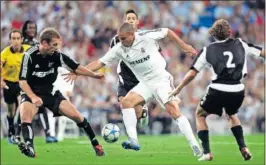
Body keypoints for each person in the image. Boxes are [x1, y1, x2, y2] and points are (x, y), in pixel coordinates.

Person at [64, 22, 202, 157]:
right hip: (145, 83)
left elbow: (167, 31)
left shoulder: (145, 37)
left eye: (123, 38)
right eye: (119, 38)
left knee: (173, 110)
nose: (121, 41)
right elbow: (99, 63)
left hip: (161, 80)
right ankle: (133, 140)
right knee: (126, 102)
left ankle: (194, 145)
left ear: (132, 35)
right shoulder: (119, 48)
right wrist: (78, 72)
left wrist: (184, 45)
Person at [169, 19, 265, 161]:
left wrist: (178, 88)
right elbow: (262, 52)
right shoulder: (241, 44)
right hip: (238, 89)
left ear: (213, 34)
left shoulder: (208, 50)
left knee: (200, 114)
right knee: (232, 115)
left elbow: (192, 73)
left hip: (218, 89)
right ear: (229, 32)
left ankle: (207, 153)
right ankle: (243, 147)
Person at [17, 27, 105, 158]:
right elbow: (22, 82)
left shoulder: (57, 56)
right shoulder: (29, 55)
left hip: (50, 93)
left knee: (77, 116)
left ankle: (96, 144)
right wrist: (33, 97)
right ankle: (30, 148)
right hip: (31, 92)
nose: (57, 48)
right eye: (54, 45)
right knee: (25, 115)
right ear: (44, 43)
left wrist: (93, 75)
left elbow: (76, 67)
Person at [21, 20, 58, 143]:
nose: (31, 30)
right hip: (22, 79)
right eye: (29, 28)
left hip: (36, 80)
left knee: (41, 107)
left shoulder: (38, 44)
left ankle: (48, 134)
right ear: (25, 29)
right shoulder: (20, 44)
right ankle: (14, 134)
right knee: (19, 108)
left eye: (33, 28)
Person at [1, 30, 30, 144]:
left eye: (18, 38)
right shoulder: (5, 53)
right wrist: (1, 81)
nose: (16, 41)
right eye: (13, 38)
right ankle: (11, 132)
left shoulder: (28, 49)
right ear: (10, 40)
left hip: (21, 83)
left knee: (21, 106)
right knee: (10, 111)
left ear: (22, 39)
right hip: (8, 84)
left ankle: (17, 133)